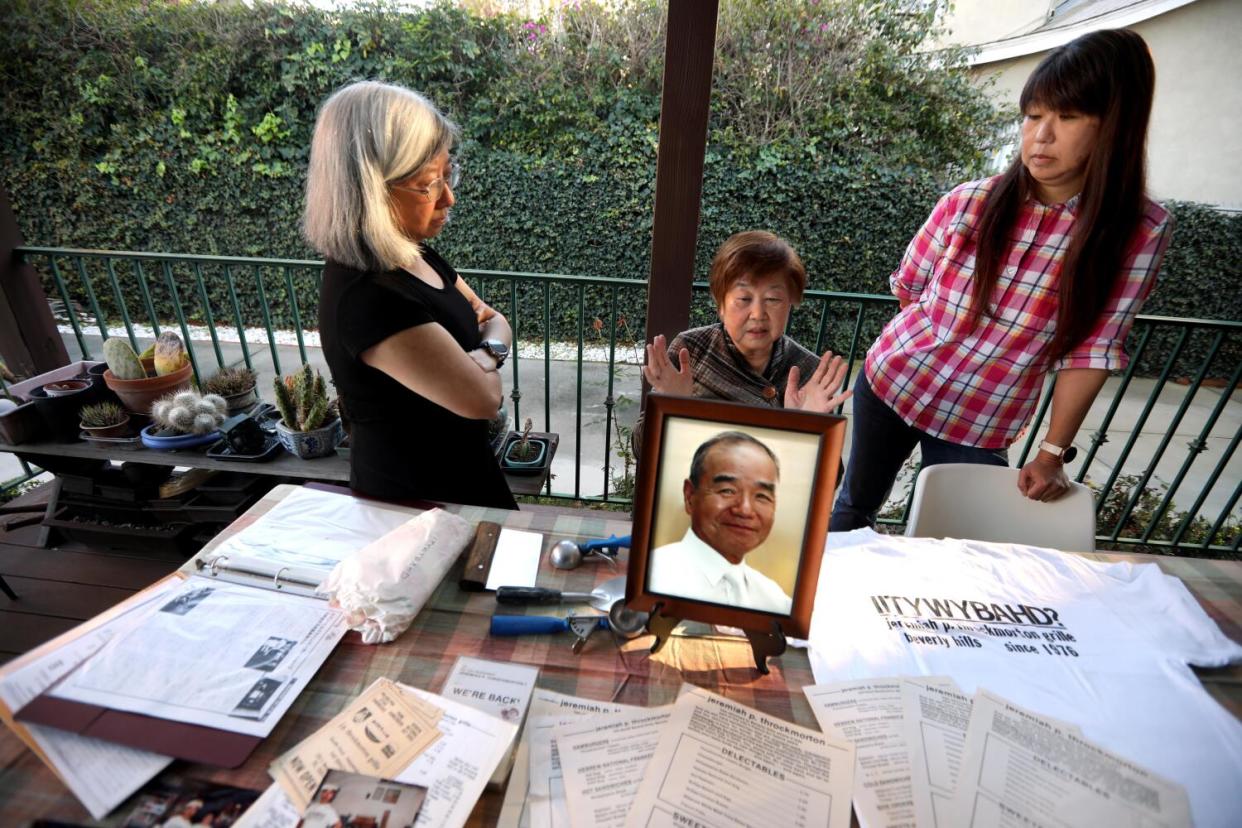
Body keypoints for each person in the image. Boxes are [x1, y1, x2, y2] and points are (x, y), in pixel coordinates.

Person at [830, 29, 1172, 532]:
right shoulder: (968, 201)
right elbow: (909, 287)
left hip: (982, 419)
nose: (1042, 135)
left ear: (1114, 127)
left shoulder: (1136, 232)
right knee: (853, 509)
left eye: (1069, 116)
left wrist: (1052, 450)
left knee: (951, 542)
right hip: (892, 382)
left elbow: (1096, 348)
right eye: (1033, 115)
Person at [307, 81, 517, 508]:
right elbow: (483, 399)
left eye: (447, 175)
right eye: (430, 184)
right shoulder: (369, 296)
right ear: (371, 190)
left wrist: (488, 356)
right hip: (413, 506)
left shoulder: (415, 255)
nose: (450, 198)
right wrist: (487, 360)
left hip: (463, 477)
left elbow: (494, 319)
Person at [638, 231, 851, 444]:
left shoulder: (807, 370)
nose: (758, 313)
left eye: (773, 299)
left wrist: (806, 427)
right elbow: (641, 447)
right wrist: (673, 406)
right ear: (720, 305)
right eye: (744, 298)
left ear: (789, 305)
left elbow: (831, 473)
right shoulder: (691, 351)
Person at [648, 432, 792, 615]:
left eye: (762, 496)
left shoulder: (775, 600)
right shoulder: (654, 576)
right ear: (690, 496)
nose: (745, 510)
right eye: (728, 491)